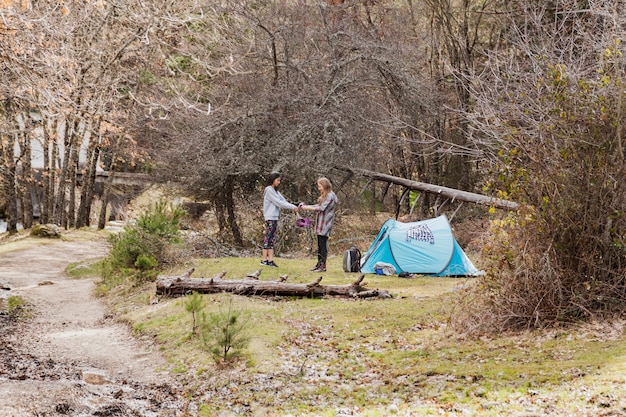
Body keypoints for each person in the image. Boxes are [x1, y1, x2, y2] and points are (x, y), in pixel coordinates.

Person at [299, 177, 338, 272]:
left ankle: (323, 265)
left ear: (324, 186)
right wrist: (306, 206)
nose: (319, 188)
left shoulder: (330, 196)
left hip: (325, 223)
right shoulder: (326, 196)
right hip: (320, 223)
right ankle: (319, 263)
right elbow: (318, 206)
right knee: (320, 245)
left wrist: (307, 208)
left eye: (320, 186)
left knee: (323, 245)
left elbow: (321, 208)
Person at [261, 172, 299, 267]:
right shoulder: (269, 190)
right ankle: (264, 260)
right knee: (268, 238)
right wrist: (292, 207)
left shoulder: (275, 191)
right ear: (273, 180)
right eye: (277, 180)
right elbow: (279, 203)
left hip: (274, 217)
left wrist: (295, 206)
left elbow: (283, 201)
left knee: (272, 238)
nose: (279, 182)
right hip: (270, 217)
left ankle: (270, 260)